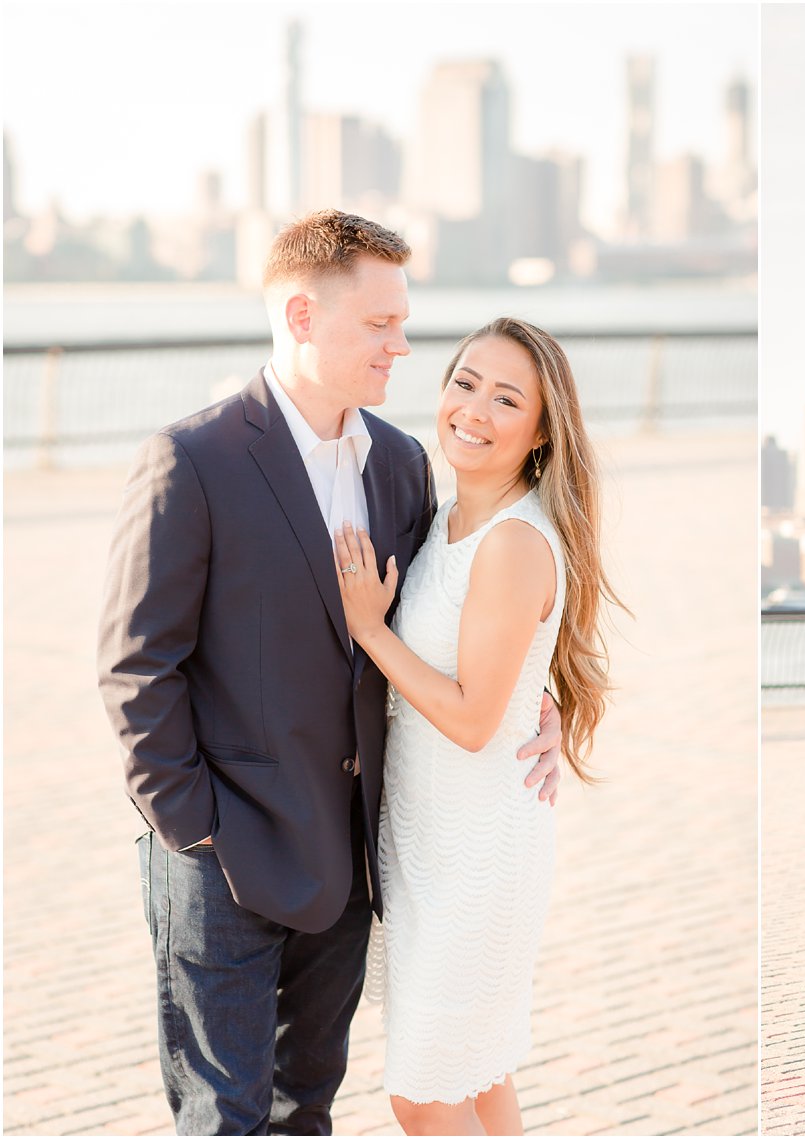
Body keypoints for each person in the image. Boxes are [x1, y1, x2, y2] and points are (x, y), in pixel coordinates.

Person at [97, 210, 563, 1135]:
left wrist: (535, 700)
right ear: (304, 317)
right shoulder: (191, 461)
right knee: (225, 1120)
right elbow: (134, 668)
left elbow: (456, 619)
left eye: (402, 320)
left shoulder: (400, 466)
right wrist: (195, 831)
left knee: (305, 1111)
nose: (403, 345)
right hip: (221, 861)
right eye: (380, 324)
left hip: (348, 867)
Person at [332, 316, 622, 1136]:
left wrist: (372, 629)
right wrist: (544, 697)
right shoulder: (449, 515)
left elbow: (468, 718)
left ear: (539, 433)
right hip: (429, 840)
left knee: (425, 1094)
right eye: (465, 382)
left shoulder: (513, 541)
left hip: (475, 849)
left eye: (506, 399)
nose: (475, 410)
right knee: (478, 1074)